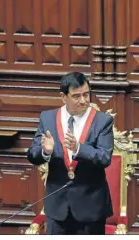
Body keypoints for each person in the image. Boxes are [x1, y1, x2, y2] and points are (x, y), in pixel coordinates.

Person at [27, 72, 114, 234]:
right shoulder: (48, 118)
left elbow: (105, 157)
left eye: (86, 94)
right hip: (57, 207)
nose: (83, 100)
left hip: (90, 207)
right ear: (63, 97)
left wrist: (79, 149)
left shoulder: (103, 121)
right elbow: (32, 155)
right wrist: (45, 151)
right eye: (76, 96)